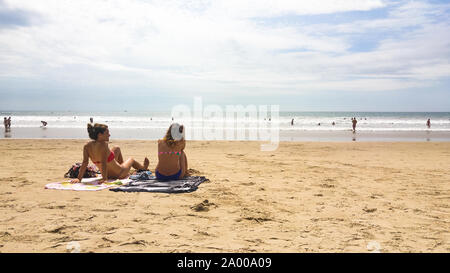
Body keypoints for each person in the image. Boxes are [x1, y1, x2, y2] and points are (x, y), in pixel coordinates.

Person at [71, 123, 149, 183]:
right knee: (131, 159)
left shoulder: (87, 146)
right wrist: (105, 179)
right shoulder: (104, 145)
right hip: (119, 174)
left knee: (116, 148)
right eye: (107, 133)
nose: (109, 134)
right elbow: (104, 163)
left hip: (107, 173)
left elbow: (85, 163)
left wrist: (79, 178)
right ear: (100, 135)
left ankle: (122, 164)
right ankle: (143, 168)